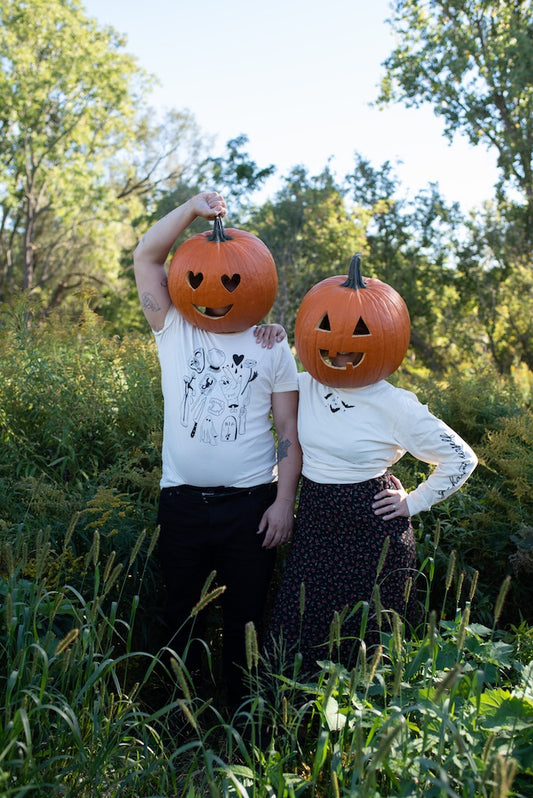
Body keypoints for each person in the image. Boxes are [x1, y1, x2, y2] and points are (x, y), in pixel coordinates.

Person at [133, 191, 302, 709]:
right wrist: (190, 210)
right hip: (182, 502)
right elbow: (145, 256)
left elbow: (289, 434)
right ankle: (175, 719)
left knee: (246, 619)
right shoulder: (174, 329)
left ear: (253, 283)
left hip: (251, 505)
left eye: (231, 280)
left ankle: (242, 720)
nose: (215, 291)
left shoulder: (273, 347)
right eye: (203, 280)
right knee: (179, 614)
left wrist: (283, 502)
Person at [262, 329, 478, 676]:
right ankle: (291, 723)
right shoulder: (306, 385)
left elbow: (462, 458)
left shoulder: (395, 404)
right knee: (297, 630)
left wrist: (414, 501)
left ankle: (356, 723)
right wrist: (272, 334)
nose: (336, 358)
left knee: (363, 642)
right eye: (328, 349)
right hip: (315, 527)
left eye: (349, 349)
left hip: (371, 534)